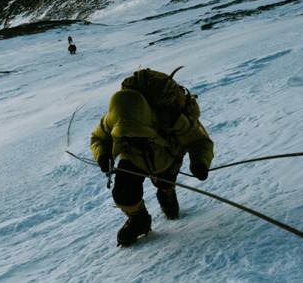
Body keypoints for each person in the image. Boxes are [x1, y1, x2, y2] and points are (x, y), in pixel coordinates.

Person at [90, 68, 214, 246]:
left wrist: (200, 162)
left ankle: (167, 192)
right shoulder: (114, 116)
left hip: (167, 155)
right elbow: (99, 138)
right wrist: (102, 155)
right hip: (132, 157)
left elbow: (200, 141)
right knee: (123, 191)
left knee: (164, 181)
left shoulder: (173, 119)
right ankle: (139, 219)